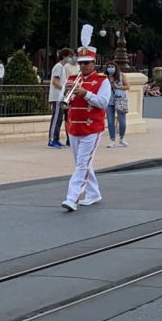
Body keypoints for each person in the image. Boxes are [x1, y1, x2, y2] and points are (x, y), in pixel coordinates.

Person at [61, 28, 112, 211]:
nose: (83, 67)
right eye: (81, 63)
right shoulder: (73, 78)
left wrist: (86, 94)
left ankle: (72, 197)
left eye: (87, 63)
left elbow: (103, 102)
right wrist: (66, 93)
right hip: (73, 127)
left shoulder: (102, 80)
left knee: (82, 164)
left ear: (94, 62)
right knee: (82, 163)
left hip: (92, 128)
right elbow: (64, 101)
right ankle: (93, 193)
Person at [47, 49, 74, 149]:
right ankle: (52, 140)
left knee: (59, 119)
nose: (71, 59)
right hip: (57, 97)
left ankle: (56, 139)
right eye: (69, 56)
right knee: (56, 119)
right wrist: (64, 89)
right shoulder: (58, 67)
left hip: (60, 97)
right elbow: (55, 81)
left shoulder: (61, 67)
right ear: (64, 56)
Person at [104, 61, 130, 148]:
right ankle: (112, 140)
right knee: (110, 121)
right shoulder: (105, 77)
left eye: (112, 66)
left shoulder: (121, 76)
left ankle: (122, 138)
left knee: (122, 121)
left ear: (116, 68)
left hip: (120, 99)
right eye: (109, 67)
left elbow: (128, 86)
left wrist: (117, 86)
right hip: (109, 100)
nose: (110, 68)